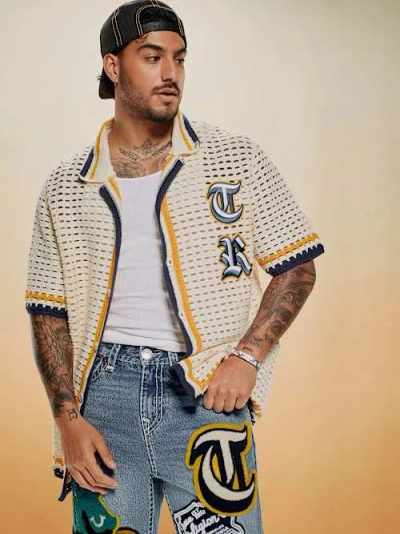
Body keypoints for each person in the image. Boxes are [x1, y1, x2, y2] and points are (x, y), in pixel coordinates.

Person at [25, 1, 326, 532]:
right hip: (104, 399)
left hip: (206, 393)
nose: (171, 73)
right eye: (152, 57)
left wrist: (247, 357)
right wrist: (67, 420)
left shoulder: (234, 157)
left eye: (179, 58)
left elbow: (297, 266)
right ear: (113, 66)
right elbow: (49, 312)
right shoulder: (66, 185)